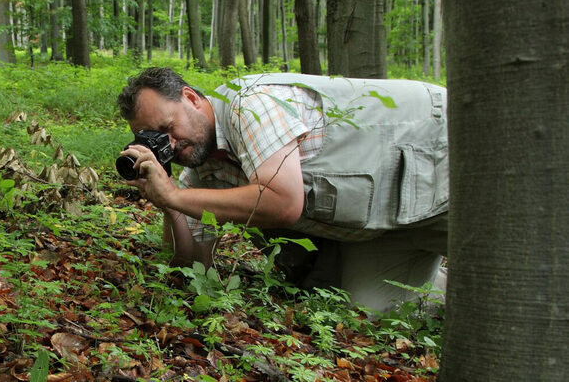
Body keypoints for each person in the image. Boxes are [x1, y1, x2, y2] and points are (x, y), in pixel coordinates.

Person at [117, 67, 449, 312]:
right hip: (385, 225)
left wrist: (177, 196)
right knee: (373, 313)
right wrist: (168, 201)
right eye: (155, 140)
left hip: (434, 154)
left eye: (167, 128)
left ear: (191, 98)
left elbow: (283, 202)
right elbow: (193, 263)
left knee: (496, 268)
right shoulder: (205, 165)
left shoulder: (251, 105)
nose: (169, 145)